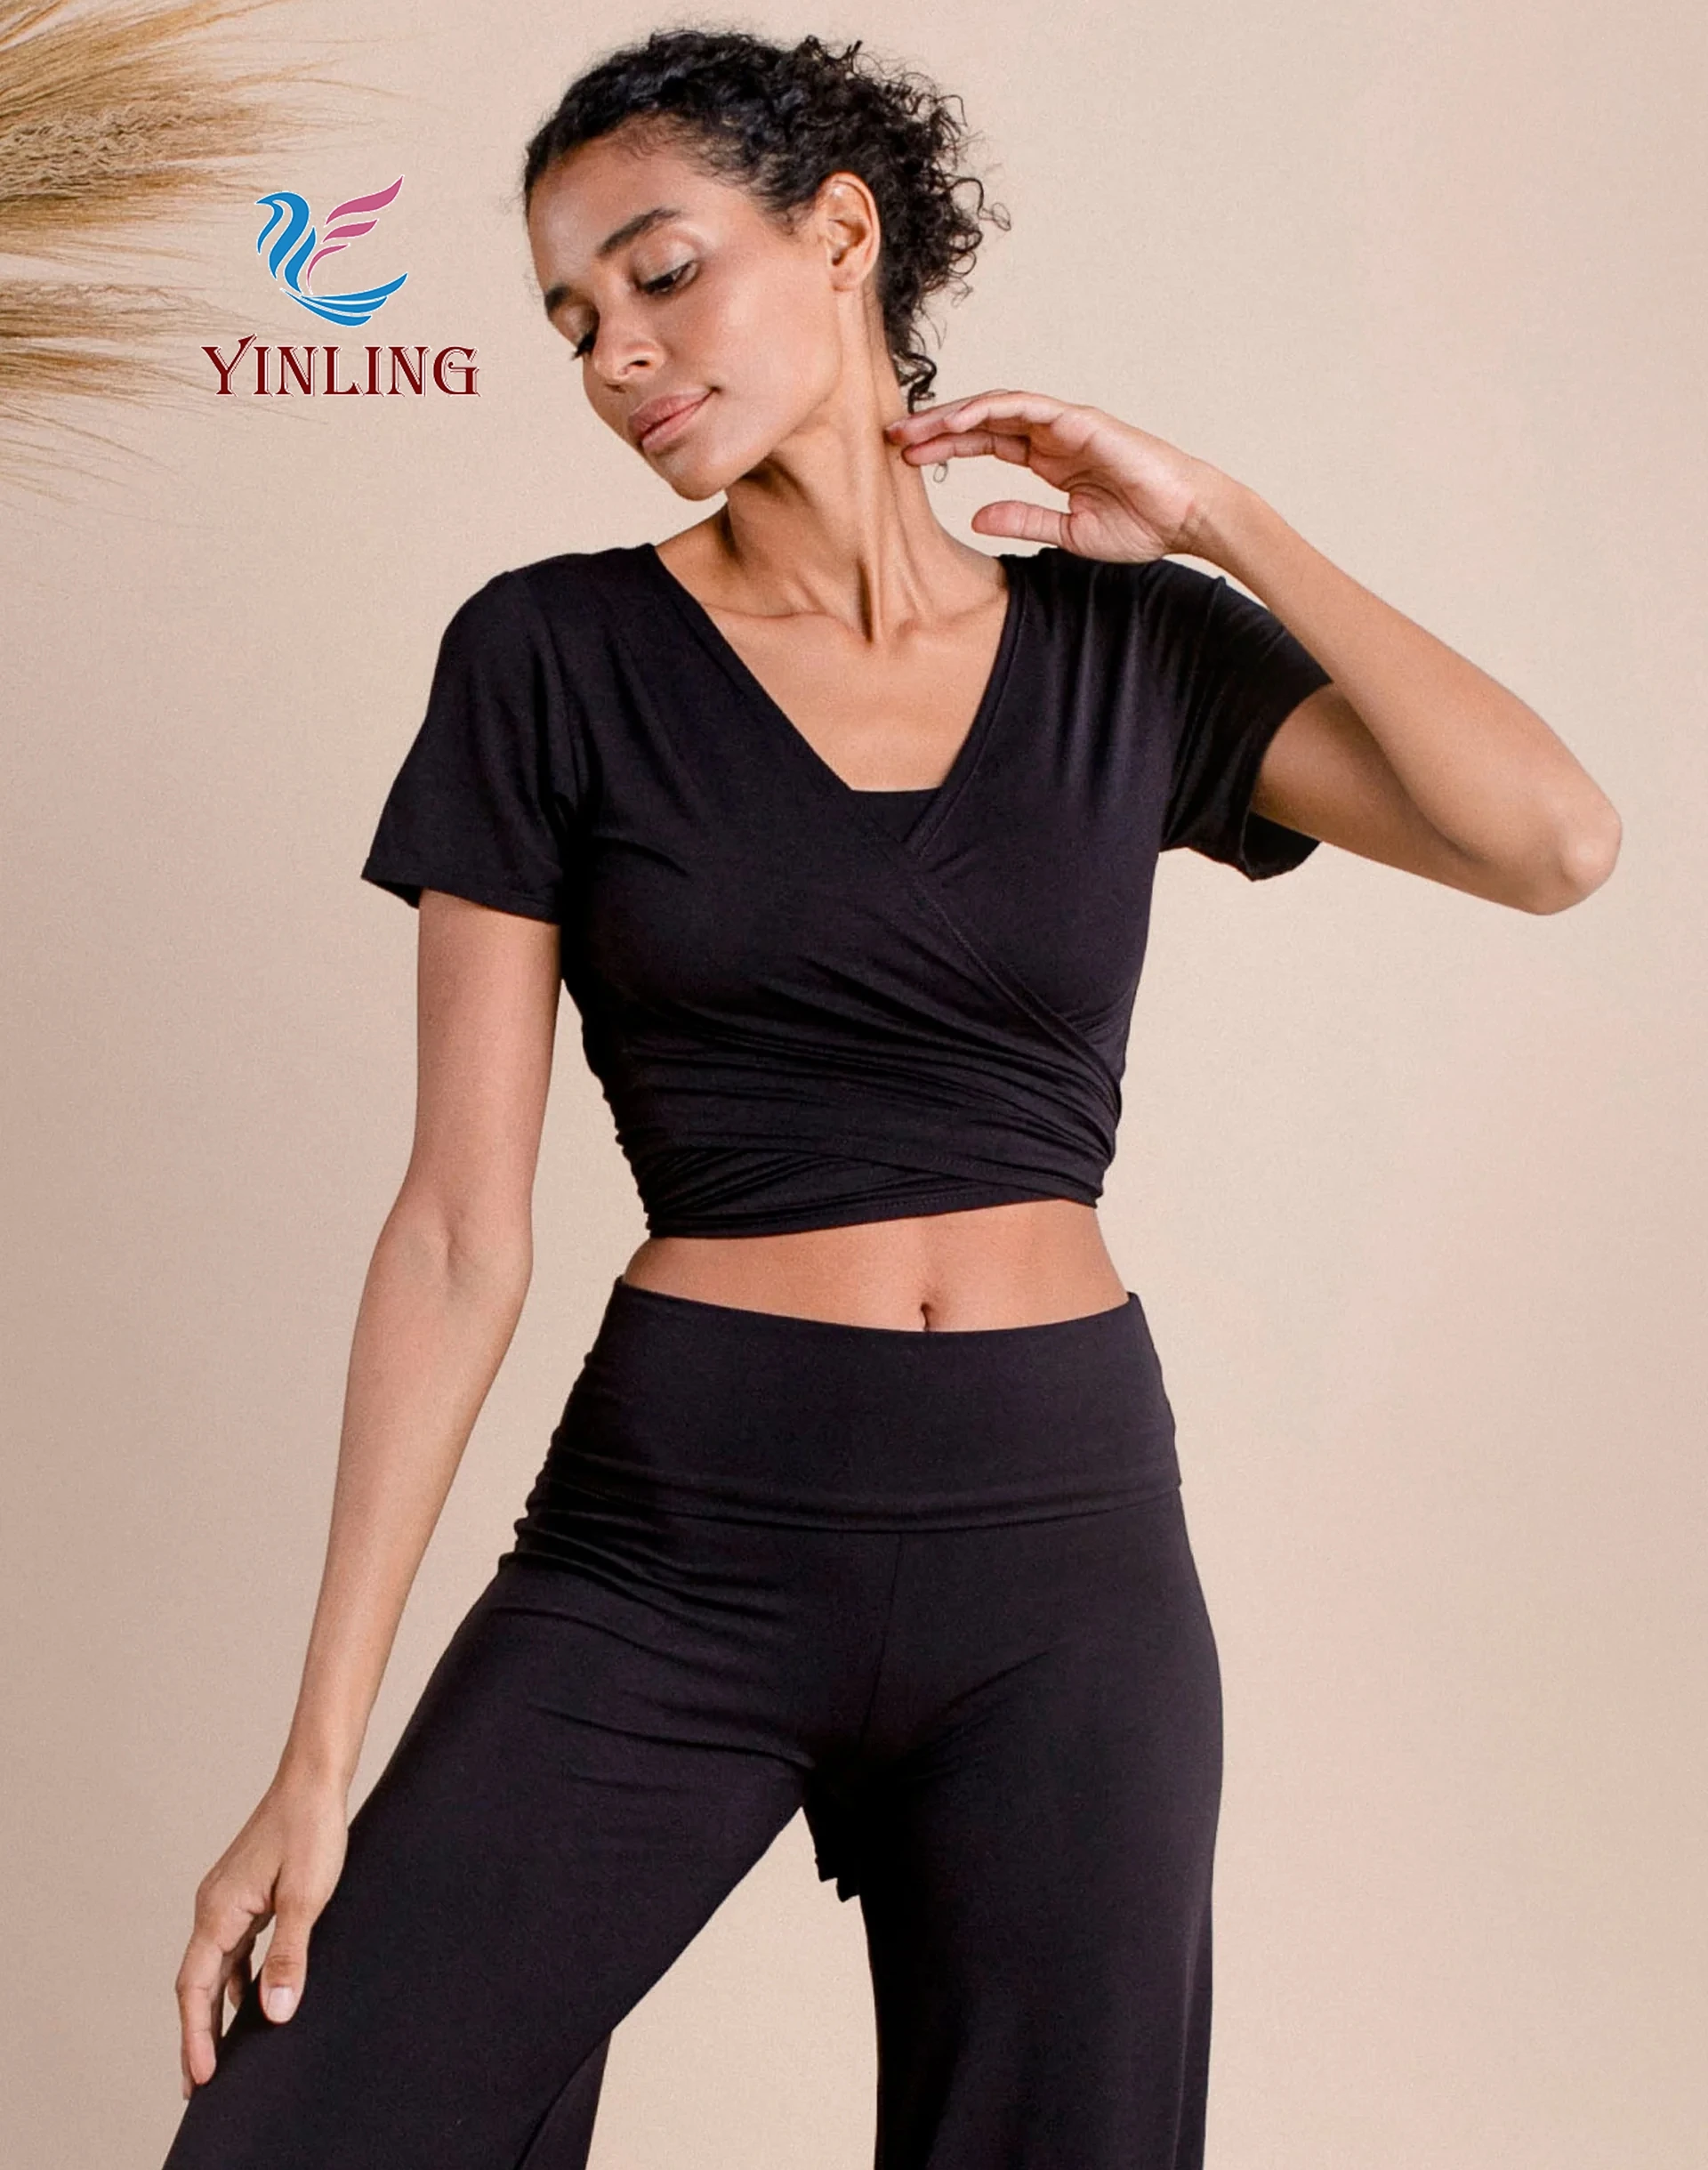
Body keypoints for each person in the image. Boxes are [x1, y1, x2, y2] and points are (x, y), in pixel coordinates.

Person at [161, 27, 1620, 2170]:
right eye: (572, 320)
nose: (617, 355)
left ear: (841, 235)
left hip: (1062, 1547)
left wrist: (1220, 520)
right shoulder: (548, 658)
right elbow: (460, 1228)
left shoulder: (1129, 650)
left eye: (663, 274)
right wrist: (315, 1762)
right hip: (682, 1525)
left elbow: (1551, 839)